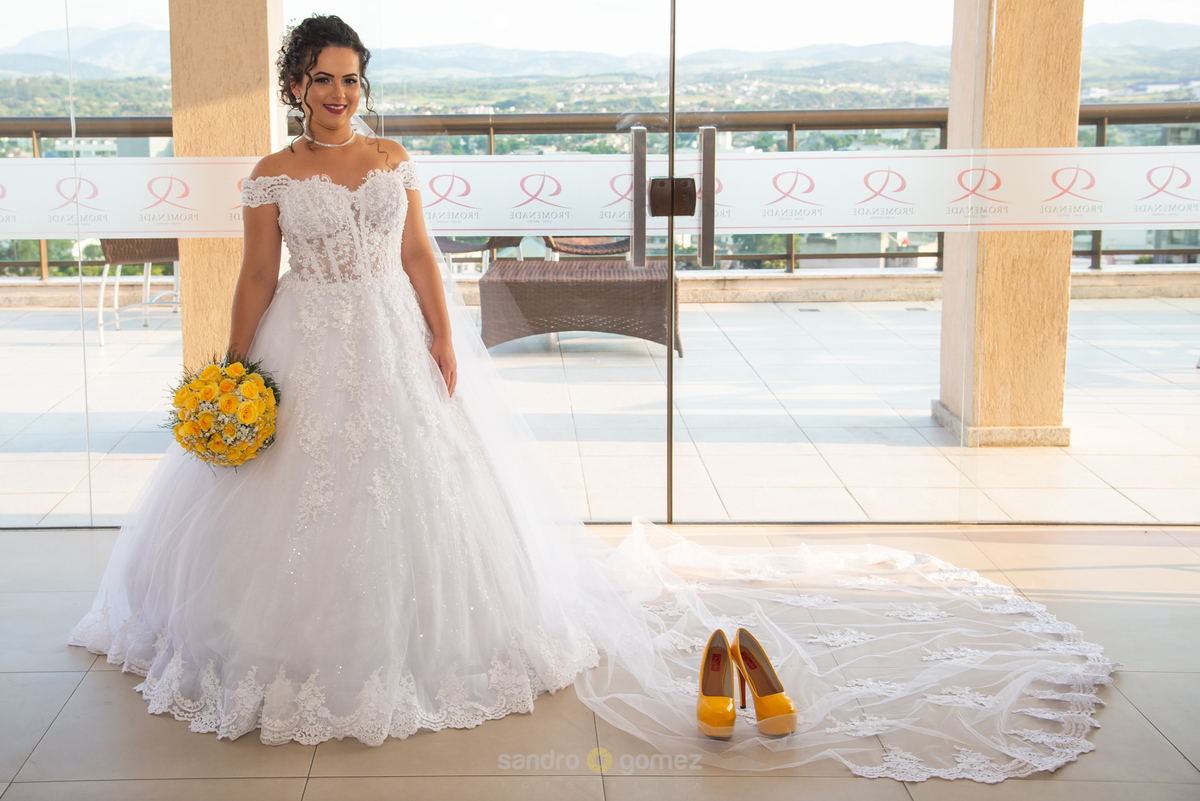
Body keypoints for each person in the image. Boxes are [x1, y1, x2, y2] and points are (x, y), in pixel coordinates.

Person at [67, 15, 1115, 781]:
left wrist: (442, 333)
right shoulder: (269, 173)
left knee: (422, 495)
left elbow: (423, 255)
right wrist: (233, 368)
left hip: (391, 335)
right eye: (323, 80)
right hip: (307, 340)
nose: (339, 95)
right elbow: (257, 278)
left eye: (351, 80)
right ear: (294, 83)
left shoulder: (392, 157)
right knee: (297, 500)